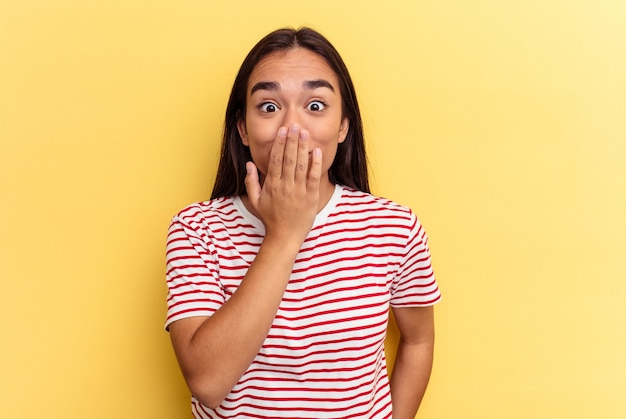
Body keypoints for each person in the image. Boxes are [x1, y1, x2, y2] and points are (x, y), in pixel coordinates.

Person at [165, 27, 441, 419]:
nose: (291, 129)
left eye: (315, 105)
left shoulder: (394, 226)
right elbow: (208, 383)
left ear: (343, 126)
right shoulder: (196, 229)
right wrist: (284, 234)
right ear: (243, 128)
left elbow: (417, 341)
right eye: (269, 107)